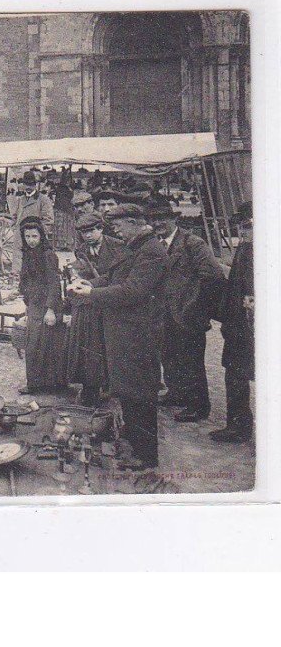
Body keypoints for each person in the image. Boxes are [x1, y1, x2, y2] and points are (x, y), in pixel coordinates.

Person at [70, 204, 169, 471]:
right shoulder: (137, 247)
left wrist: (92, 295)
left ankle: (146, 456)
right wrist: (91, 284)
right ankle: (132, 440)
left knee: (141, 395)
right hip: (125, 333)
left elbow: (132, 291)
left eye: (120, 227)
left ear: (135, 222)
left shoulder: (151, 252)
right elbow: (114, 277)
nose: (118, 233)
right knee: (127, 391)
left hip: (139, 334)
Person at [150, 202, 225, 423]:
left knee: (191, 361)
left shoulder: (193, 243)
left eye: (163, 217)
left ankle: (198, 405)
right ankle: (177, 393)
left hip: (188, 314)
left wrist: (196, 306)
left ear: (175, 219)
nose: (158, 223)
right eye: (154, 219)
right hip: (164, 313)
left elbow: (213, 276)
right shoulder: (156, 244)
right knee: (169, 355)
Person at [64, 212, 123, 406]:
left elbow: (116, 277)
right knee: (89, 346)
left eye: (91, 231)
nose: (87, 236)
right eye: (83, 233)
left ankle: (110, 387)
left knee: (110, 345)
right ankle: (91, 386)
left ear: (100, 228)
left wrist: (90, 281)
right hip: (89, 304)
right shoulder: (81, 249)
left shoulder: (117, 246)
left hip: (109, 301)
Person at [211, 201, 254, 442]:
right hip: (238, 326)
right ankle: (238, 426)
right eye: (241, 225)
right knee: (235, 374)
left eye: (248, 225)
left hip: (251, 326)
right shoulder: (245, 248)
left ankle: (240, 427)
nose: (243, 231)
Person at [18, 216, 67, 394]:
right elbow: (26, 280)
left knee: (50, 344)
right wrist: (27, 302)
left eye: (34, 236)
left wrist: (51, 309)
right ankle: (36, 384)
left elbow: (54, 283)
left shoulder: (48, 255)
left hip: (47, 304)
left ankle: (55, 384)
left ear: (41, 237)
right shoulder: (27, 254)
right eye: (28, 236)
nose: (31, 240)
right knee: (34, 345)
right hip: (34, 303)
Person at [7, 170, 54, 273]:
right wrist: (14, 227)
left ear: (35, 185)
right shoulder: (20, 199)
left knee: (34, 263)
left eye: (31, 184)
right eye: (26, 184)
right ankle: (17, 277)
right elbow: (14, 215)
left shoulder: (43, 200)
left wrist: (40, 233)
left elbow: (49, 220)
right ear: (23, 185)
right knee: (19, 259)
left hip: (34, 236)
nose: (28, 187)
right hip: (20, 234)